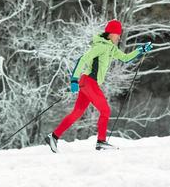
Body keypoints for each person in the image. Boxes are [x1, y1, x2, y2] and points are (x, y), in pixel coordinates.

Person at [45, 19, 153, 153]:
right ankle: (101, 142)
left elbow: (125, 58)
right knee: (105, 110)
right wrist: (74, 79)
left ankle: (53, 136)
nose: (119, 37)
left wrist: (141, 50)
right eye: (118, 34)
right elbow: (83, 59)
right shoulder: (101, 46)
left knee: (77, 113)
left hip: (90, 83)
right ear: (111, 33)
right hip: (89, 81)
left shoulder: (111, 49)